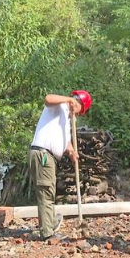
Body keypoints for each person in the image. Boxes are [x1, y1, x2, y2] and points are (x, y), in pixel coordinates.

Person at [28, 90, 92, 241]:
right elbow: (48, 98)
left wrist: (70, 151)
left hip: (48, 156)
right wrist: (68, 99)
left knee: (49, 191)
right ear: (77, 103)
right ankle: (47, 233)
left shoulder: (65, 117)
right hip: (42, 154)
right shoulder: (59, 106)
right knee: (46, 192)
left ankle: (49, 223)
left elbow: (63, 140)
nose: (79, 114)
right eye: (80, 111)